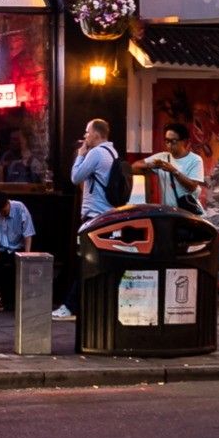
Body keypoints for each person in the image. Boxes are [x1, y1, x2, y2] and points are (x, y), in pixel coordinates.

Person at [55, 118, 122, 320]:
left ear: (96, 134)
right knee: (99, 262)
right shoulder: (113, 152)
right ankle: (95, 304)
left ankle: (70, 306)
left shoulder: (96, 153)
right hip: (109, 216)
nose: (85, 136)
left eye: (87, 132)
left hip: (95, 217)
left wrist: (79, 156)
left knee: (85, 261)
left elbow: (76, 177)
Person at [0, 191, 35, 312]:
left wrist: (26, 255)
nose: (2, 214)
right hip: (1, 248)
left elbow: (28, 233)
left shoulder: (19, 207)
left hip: (17, 248)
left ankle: (24, 300)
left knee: (24, 266)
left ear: (7, 203)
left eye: (4, 211)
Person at [135, 122, 204, 212]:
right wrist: (152, 165)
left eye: (173, 141)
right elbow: (135, 166)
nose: (169, 145)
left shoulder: (195, 160)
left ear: (184, 141)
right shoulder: (162, 157)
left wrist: (173, 171)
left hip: (188, 213)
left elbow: (192, 186)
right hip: (168, 212)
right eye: (167, 141)